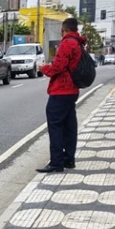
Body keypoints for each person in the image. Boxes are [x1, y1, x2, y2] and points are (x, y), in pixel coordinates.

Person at [36, 17, 86, 173]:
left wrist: (43, 68)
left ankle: (57, 162)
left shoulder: (67, 43)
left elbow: (57, 67)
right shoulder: (79, 43)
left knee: (55, 126)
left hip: (61, 90)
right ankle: (68, 159)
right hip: (72, 90)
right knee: (70, 126)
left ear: (63, 30)